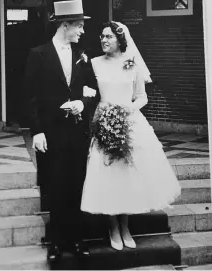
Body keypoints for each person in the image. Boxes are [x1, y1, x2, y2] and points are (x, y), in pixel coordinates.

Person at [80, 21, 181, 251]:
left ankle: (125, 226)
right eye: (102, 37)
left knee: (127, 175)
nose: (103, 40)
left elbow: (142, 96)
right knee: (108, 175)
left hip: (130, 123)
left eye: (108, 36)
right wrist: (104, 116)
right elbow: (89, 93)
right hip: (104, 122)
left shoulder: (130, 63)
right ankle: (112, 226)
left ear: (120, 39)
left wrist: (127, 111)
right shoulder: (94, 64)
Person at [24, 0, 98, 262]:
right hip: (51, 133)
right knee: (55, 186)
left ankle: (77, 240)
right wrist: (38, 132)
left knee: (76, 184)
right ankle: (56, 243)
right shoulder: (39, 54)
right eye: (78, 25)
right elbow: (30, 98)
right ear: (64, 25)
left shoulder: (82, 54)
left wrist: (82, 102)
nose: (82, 31)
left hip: (76, 133)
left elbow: (92, 90)